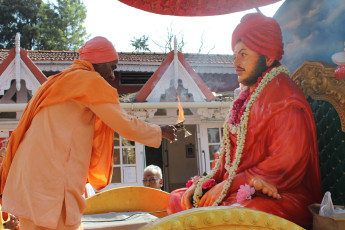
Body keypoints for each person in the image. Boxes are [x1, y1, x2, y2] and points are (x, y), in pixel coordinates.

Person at [0, 36, 177, 230]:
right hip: (51, 182)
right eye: (112, 67)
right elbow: (124, 124)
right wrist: (159, 131)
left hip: (27, 177)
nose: (112, 76)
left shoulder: (58, 80)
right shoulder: (90, 81)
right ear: (99, 63)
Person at [167, 13, 321, 227]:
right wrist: (206, 183)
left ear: (267, 58)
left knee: (237, 215)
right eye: (235, 55)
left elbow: (285, 165)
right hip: (237, 190)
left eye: (243, 54)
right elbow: (226, 158)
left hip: (280, 195)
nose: (235, 62)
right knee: (178, 198)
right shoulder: (247, 96)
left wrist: (228, 185)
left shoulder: (286, 99)